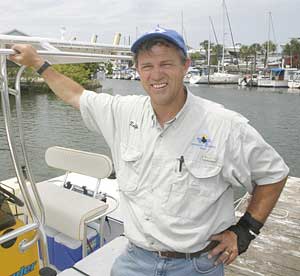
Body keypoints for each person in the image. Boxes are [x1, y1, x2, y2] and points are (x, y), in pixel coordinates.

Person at [9, 26, 289, 276]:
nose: (156, 75)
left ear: (185, 66)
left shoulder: (224, 125)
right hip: (134, 259)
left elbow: (273, 174)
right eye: (147, 66)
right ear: (137, 70)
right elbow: (75, 95)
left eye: (166, 63)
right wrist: (38, 64)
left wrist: (245, 231)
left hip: (196, 265)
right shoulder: (122, 112)